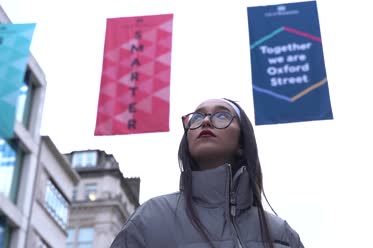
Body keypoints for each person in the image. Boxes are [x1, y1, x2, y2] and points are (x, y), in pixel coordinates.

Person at [110, 98, 304, 248]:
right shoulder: (150, 217)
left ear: (242, 144)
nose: (205, 121)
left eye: (222, 116)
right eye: (196, 117)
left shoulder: (282, 234)